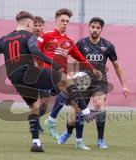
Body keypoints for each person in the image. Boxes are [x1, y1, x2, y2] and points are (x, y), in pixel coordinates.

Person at [0, 11, 94, 152]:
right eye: (33, 25)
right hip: (28, 73)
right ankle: (86, 111)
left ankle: (36, 143)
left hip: (14, 79)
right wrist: (54, 65)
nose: (34, 27)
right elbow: (34, 50)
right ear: (28, 23)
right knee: (67, 80)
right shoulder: (29, 36)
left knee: (34, 107)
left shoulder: (5, 39)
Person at [58, 17, 130, 149]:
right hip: (82, 82)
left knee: (99, 104)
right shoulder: (81, 43)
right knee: (74, 115)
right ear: (89, 27)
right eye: (93, 27)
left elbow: (117, 66)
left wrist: (124, 85)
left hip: (100, 82)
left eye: (98, 28)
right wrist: (70, 76)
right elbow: (72, 61)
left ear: (101, 30)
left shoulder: (108, 46)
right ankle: (68, 132)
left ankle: (100, 140)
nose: (95, 29)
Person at [36, 9, 101, 143]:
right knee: (68, 86)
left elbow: (82, 58)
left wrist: (93, 70)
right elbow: (34, 51)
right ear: (56, 21)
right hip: (47, 74)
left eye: (67, 21)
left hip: (60, 77)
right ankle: (86, 112)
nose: (65, 23)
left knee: (75, 106)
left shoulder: (69, 42)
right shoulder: (46, 35)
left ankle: (77, 140)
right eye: (62, 20)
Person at [33, 16, 45, 133]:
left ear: (43, 26)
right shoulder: (28, 39)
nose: (37, 28)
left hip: (44, 74)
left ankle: (35, 119)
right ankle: (35, 124)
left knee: (45, 103)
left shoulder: (46, 38)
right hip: (31, 74)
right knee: (35, 101)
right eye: (35, 25)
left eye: (39, 25)